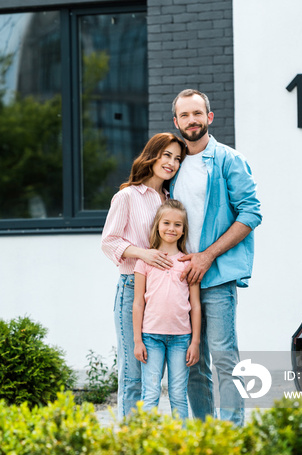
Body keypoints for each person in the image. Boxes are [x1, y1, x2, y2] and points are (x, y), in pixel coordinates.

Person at [169, 89, 262, 425]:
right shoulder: (173, 165)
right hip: (181, 281)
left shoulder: (228, 160)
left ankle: (233, 436)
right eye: (185, 115)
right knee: (191, 362)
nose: (191, 120)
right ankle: (209, 436)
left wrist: (206, 256)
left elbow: (251, 214)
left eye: (197, 113)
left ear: (209, 117)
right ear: (176, 121)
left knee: (224, 359)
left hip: (217, 276)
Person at [101, 132, 187, 418]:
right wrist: (143, 253)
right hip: (132, 289)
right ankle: (130, 441)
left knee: (161, 380)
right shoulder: (127, 196)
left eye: (177, 159)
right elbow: (108, 242)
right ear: (152, 155)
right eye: (166, 155)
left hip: (166, 293)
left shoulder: (169, 198)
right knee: (133, 371)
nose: (172, 163)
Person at [132, 199, 200, 419]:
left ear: (183, 230)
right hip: (151, 337)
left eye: (177, 225)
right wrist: (137, 341)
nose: (171, 228)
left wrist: (195, 342)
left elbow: (196, 305)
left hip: (181, 338)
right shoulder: (145, 261)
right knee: (150, 393)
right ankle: (147, 442)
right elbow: (138, 303)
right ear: (158, 226)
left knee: (178, 394)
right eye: (167, 223)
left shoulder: (188, 263)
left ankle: (180, 445)